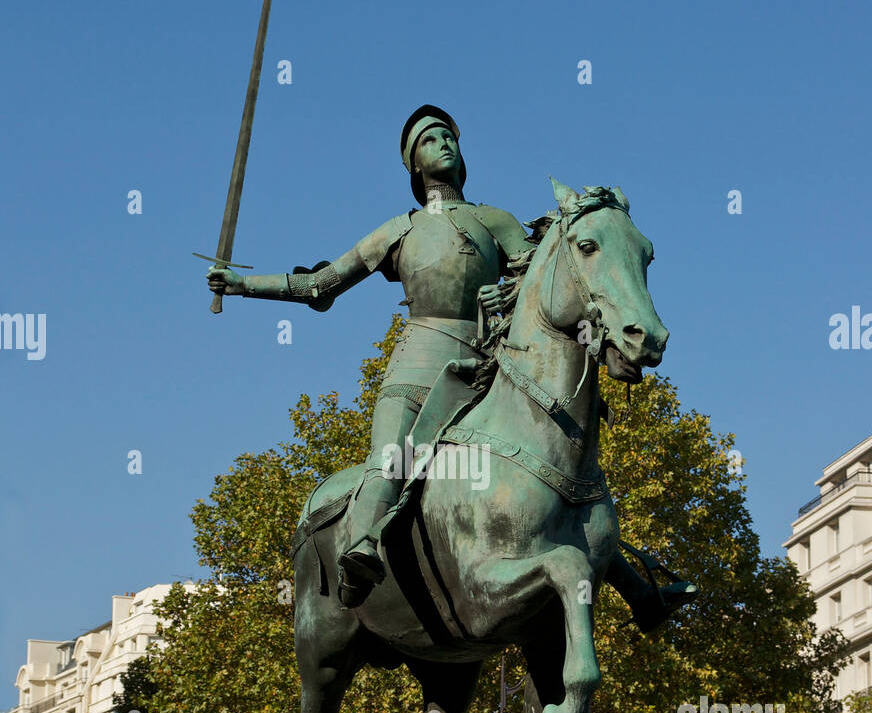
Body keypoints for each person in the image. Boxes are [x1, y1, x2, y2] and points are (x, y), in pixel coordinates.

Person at [207, 105, 696, 623]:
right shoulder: (399, 230)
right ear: (413, 165)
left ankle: (634, 587)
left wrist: (515, 296)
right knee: (391, 459)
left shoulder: (495, 221)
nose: (443, 144)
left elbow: (546, 278)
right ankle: (362, 549)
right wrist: (242, 285)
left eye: (449, 137)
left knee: (554, 469)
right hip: (418, 368)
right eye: (429, 140)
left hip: (492, 367)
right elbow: (320, 286)